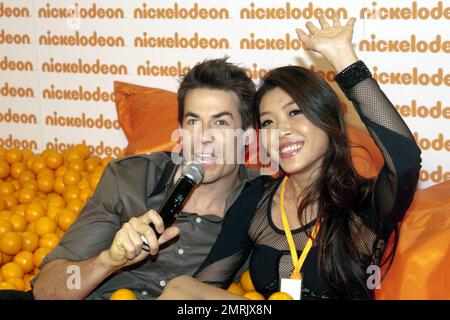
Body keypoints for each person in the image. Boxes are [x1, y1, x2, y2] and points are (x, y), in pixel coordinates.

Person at [158, 15, 422, 300]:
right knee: (180, 288)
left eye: (295, 113)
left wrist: (342, 55)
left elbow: (404, 158)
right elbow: (206, 287)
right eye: (268, 123)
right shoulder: (256, 198)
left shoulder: (365, 202)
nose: (281, 131)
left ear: (327, 118)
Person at [28, 58, 259, 300]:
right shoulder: (130, 179)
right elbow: (46, 288)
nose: (203, 137)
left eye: (220, 122)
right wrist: (107, 261)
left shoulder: (264, 204)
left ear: (246, 136)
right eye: (193, 122)